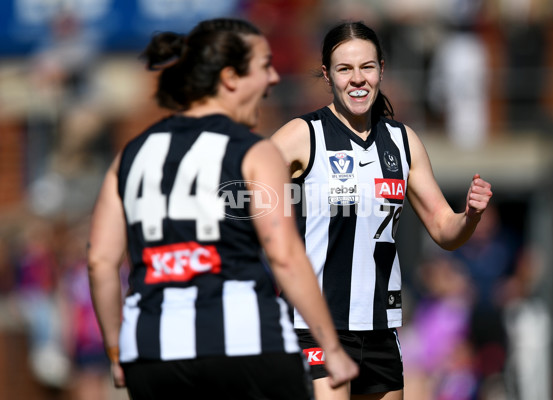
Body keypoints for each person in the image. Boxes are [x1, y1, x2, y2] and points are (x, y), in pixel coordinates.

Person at [87, 18, 358, 400]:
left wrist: (116, 351)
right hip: (244, 345)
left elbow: (100, 261)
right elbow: (284, 255)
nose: (275, 77)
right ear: (230, 77)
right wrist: (330, 348)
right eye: (265, 65)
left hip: (150, 350)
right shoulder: (253, 150)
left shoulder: (131, 155)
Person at [271, 21, 493, 400]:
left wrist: (469, 216)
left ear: (381, 70)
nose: (357, 79)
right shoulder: (303, 135)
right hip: (317, 325)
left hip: (380, 330)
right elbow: (242, 190)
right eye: (345, 69)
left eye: (366, 67)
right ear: (328, 76)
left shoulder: (403, 142)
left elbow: (443, 228)